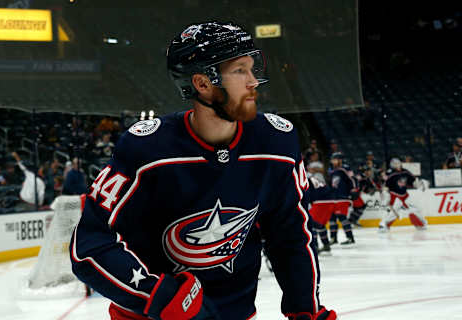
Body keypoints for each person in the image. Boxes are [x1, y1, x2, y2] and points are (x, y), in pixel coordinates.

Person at [70, 22, 337, 320]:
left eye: (253, 68)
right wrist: (157, 295)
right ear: (202, 83)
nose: (253, 82)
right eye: (239, 71)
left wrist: (306, 310)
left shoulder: (276, 143)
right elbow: (89, 244)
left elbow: (290, 237)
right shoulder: (146, 150)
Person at [378, 158, 427, 232]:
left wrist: (419, 184)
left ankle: (421, 224)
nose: (397, 165)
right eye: (395, 164)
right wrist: (385, 193)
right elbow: (385, 185)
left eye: (398, 163)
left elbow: (413, 181)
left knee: (414, 209)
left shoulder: (405, 172)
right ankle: (383, 225)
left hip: (405, 195)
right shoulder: (390, 174)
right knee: (393, 212)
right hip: (394, 195)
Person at [327, 152, 356, 246]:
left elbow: (352, 179)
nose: (332, 161)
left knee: (342, 217)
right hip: (334, 198)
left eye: (334, 159)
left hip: (342, 197)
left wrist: (353, 189)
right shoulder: (332, 171)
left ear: (339, 160)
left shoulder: (344, 169)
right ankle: (333, 238)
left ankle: (350, 237)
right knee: (332, 218)